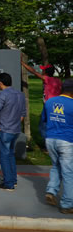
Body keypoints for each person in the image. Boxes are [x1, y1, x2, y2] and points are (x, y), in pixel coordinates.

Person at [0, 72, 27, 191]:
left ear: (0, 83)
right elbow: (22, 114)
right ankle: (12, 179)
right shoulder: (20, 94)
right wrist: (15, 124)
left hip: (4, 130)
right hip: (15, 130)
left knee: (4, 157)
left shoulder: (3, 95)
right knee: (10, 155)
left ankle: (8, 183)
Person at [42, 79, 73, 214]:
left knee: (56, 166)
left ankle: (51, 191)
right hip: (66, 141)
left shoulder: (49, 102)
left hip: (50, 139)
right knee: (68, 173)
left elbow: (44, 120)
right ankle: (67, 204)